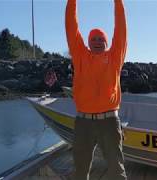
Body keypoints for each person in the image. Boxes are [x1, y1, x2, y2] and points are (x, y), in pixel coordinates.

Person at [65, 0, 127, 179]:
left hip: (109, 122)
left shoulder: (115, 57)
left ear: (107, 43)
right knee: (80, 170)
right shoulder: (80, 55)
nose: (98, 42)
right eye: (94, 39)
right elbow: (71, 25)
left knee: (117, 170)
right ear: (88, 42)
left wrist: (118, 2)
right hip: (83, 122)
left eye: (101, 39)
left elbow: (121, 29)